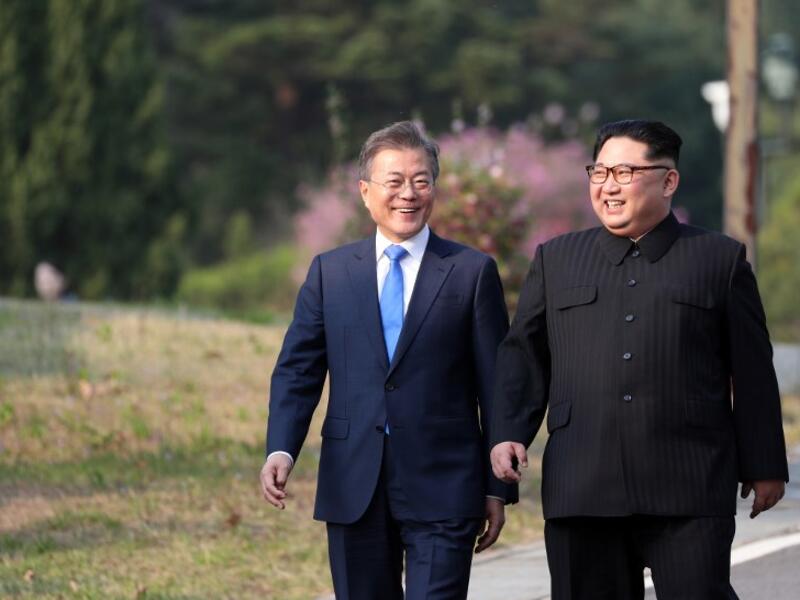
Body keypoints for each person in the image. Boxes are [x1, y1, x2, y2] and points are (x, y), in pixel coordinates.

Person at [490, 119, 789, 600]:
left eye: (625, 172)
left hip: (688, 481)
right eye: (599, 171)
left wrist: (765, 462)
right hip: (582, 484)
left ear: (668, 180)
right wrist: (507, 433)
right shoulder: (557, 259)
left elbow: (752, 371)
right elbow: (523, 358)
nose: (608, 185)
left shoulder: (718, 260)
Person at [260, 121, 517, 600]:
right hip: (354, 483)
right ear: (365, 191)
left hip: (445, 484)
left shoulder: (470, 273)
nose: (408, 194)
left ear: (434, 188)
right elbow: (299, 371)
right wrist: (281, 448)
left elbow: (496, 384)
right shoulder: (330, 273)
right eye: (393, 181)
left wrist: (496, 488)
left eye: (421, 181)